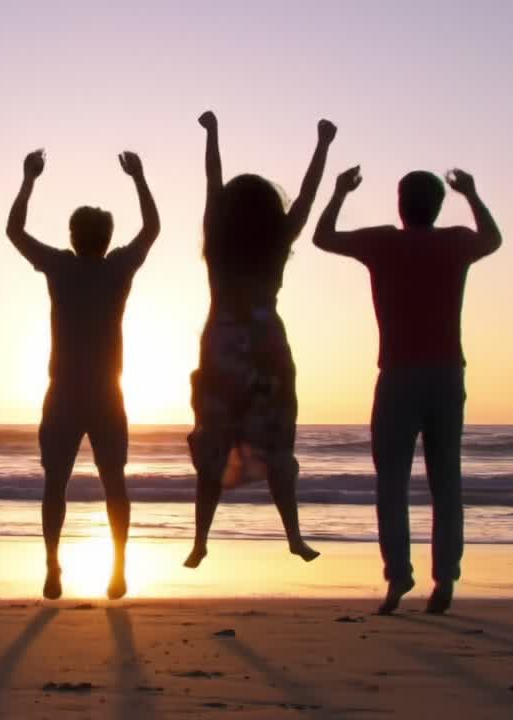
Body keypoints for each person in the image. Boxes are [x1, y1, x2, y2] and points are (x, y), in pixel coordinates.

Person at [314, 165, 501, 615]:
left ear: (400, 204)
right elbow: (492, 239)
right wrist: (472, 193)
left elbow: (323, 237)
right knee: (446, 481)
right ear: (437, 206)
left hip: (398, 374)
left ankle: (398, 574)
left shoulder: (383, 242)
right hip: (446, 373)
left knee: (392, 483)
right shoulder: (455, 241)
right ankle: (445, 577)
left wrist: (339, 192)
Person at [6, 148, 160, 600]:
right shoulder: (118, 268)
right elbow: (151, 229)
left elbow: (14, 231)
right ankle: (118, 567)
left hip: (65, 393)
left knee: (55, 483)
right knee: (115, 482)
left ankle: (53, 564)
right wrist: (139, 177)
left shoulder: (61, 266)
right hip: (107, 392)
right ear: (107, 239)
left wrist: (29, 179)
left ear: (73, 237)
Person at [185, 110, 334, 571]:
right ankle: (294, 536)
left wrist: (212, 134)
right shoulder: (276, 239)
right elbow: (307, 197)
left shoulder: (219, 238)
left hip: (222, 347)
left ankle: (200, 541)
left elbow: (212, 182)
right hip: (266, 346)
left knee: (214, 446)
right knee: (278, 447)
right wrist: (323, 145)